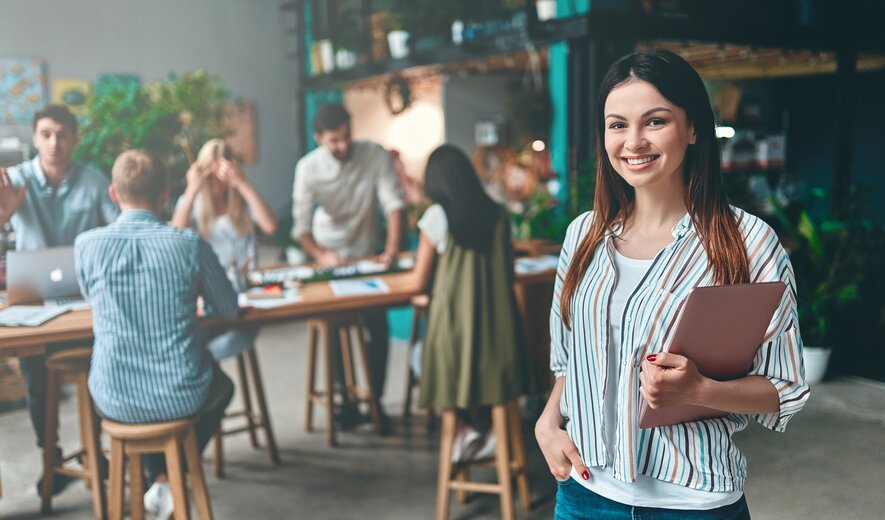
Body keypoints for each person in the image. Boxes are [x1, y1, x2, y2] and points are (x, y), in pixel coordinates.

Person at [534, 49, 810, 519]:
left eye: (655, 121)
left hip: (692, 503)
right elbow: (571, 359)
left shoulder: (746, 243)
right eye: (617, 125)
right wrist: (547, 422)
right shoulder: (584, 234)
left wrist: (699, 389)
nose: (633, 141)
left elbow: (786, 386)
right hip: (584, 494)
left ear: (694, 128)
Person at [75, 150, 237, 519]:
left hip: (113, 397)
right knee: (220, 386)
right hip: (180, 396)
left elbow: (92, 298)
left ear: (114, 193)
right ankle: (169, 475)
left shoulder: (86, 246)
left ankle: (160, 479)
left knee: (142, 391)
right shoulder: (189, 245)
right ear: (165, 195)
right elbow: (228, 309)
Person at [0, 104, 119, 494]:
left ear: (75, 139)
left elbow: (119, 232)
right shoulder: (13, 180)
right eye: (46, 134)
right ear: (35, 139)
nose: (55, 143)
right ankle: (49, 456)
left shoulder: (94, 180)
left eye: (63, 135)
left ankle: (97, 452)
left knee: (102, 368)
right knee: (36, 377)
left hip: (84, 300)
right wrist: (4, 214)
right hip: (31, 304)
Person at [412, 144, 532, 459]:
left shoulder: (437, 217)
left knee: (419, 358)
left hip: (456, 333)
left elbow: (418, 281)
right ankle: (488, 429)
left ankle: (468, 428)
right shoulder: (499, 215)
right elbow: (508, 273)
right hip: (499, 336)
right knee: (481, 369)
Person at [291, 103, 406, 426]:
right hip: (328, 251)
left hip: (368, 251)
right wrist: (321, 255)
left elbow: (394, 205)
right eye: (334, 141)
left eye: (346, 137)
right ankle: (346, 400)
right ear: (319, 139)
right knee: (336, 328)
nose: (343, 145)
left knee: (378, 326)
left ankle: (375, 402)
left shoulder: (374, 154)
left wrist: (391, 250)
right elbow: (301, 228)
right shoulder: (308, 168)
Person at [171, 138, 277, 360]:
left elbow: (270, 226)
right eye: (211, 177)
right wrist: (192, 189)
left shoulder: (241, 199)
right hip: (206, 295)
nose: (217, 184)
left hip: (243, 293)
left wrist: (243, 184)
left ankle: (200, 363)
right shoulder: (192, 202)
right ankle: (201, 363)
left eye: (222, 176)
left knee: (241, 332)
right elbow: (175, 237)